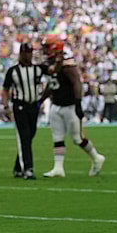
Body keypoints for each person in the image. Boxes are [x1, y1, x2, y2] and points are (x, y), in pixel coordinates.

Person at [41, 35, 106, 178]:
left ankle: (96, 157)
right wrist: (41, 100)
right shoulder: (51, 63)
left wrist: (78, 103)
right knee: (57, 137)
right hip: (56, 104)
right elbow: (51, 84)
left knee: (77, 138)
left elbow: (77, 83)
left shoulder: (67, 63)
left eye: (47, 47)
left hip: (70, 105)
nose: (44, 50)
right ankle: (58, 168)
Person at [1, 43, 44, 180]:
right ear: (21, 54)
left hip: (33, 106)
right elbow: (5, 90)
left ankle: (17, 168)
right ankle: (28, 169)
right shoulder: (13, 71)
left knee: (30, 135)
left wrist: (60, 61)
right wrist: (6, 107)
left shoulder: (38, 69)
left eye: (30, 52)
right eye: (26, 52)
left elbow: (53, 70)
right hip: (20, 106)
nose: (28, 55)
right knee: (24, 137)